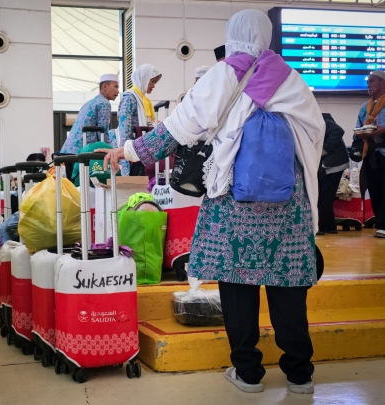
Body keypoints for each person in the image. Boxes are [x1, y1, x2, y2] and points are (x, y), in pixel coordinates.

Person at [98, 9, 324, 394]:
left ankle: (248, 373)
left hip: (233, 199)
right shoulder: (291, 78)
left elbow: (178, 128)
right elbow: (314, 135)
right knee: (287, 286)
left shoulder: (225, 72)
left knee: (237, 286)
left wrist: (129, 151)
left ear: (233, 34)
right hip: (289, 202)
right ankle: (300, 374)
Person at [354, 70, 385, 238]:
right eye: (368, 82)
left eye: (372, 81)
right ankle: (381, 225)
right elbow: (357, 130)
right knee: (374, 189)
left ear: (383, 84)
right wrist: (361, 133)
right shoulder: (364, 108)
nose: (368, 84)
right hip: (370, 154)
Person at [117, 64, 162, 175]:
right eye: (152, 81)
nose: (154, 86)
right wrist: (126, 155)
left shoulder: (143, 100)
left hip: (139, 151)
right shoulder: (130, 98)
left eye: (155, 82)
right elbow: (124, 130)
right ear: (144, 78)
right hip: (131, 154)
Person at [60, 74, 119, 154]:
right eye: (116, 87)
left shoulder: (89, 102)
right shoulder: (104, 104)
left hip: (68, 149)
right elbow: (102, 132)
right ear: (105, 86)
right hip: (83, 152)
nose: (118, 91)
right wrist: (110, 150)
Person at [317, 114, 349, 235]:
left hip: (333, 165)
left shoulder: (320, 120)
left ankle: (321, 226)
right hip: (332, 164)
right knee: (326, 196)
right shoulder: (320, 120)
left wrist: (324, 150)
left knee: (324, 196)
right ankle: (328, 226)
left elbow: (338, 130)